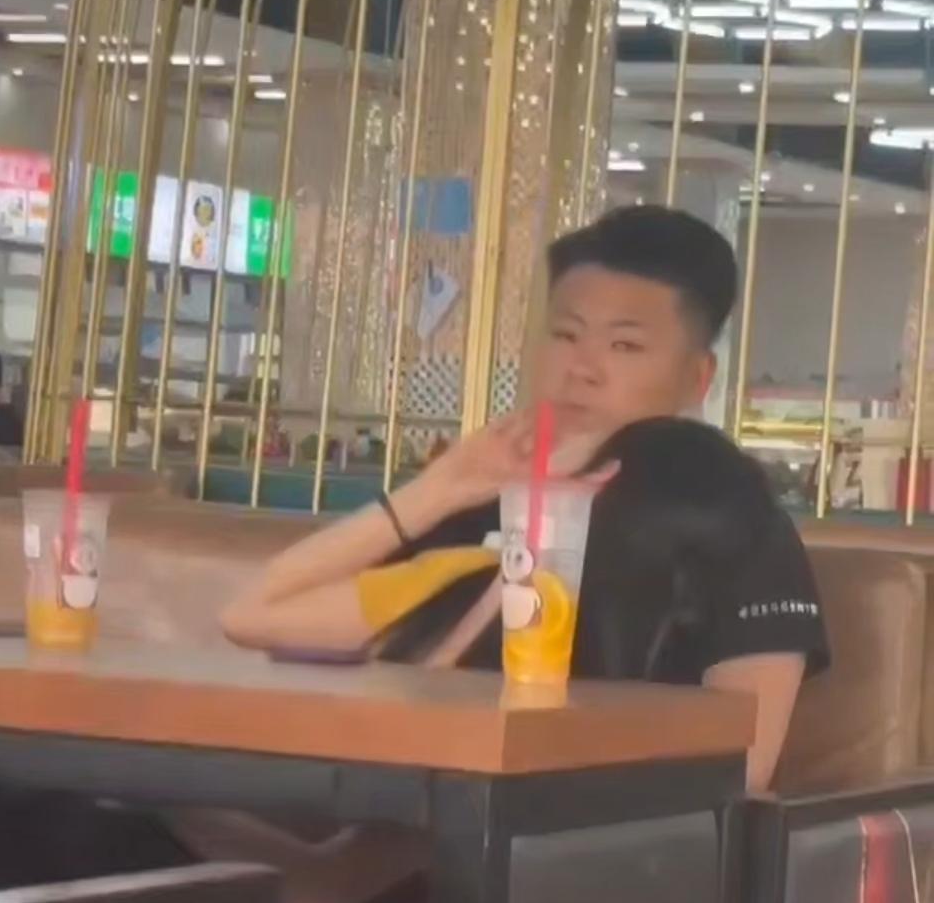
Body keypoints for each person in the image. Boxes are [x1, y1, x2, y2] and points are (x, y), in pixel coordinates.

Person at [221, 204, 829, 794]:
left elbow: (743, 765)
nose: (582, 369)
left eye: (624, 347)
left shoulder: (732, 522)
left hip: (557, 836)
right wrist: (438, 489)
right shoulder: (480, 509)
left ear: (698, 378)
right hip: (389, 808)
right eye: (565, 335)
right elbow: (255, 614)